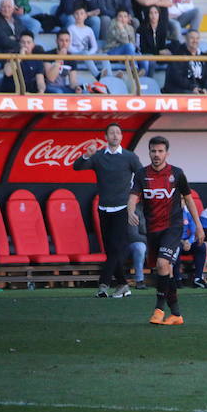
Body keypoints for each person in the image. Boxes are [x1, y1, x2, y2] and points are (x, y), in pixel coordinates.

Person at [128, 136, 205, 325]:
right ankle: (176, 314)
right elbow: (132, 197)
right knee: (165, 271)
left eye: (160, 151)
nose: (156, 154)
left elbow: (189, 199)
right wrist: (130, 211)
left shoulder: (177, 174)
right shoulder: (141, 174)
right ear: (149, 152)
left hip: (173, 227)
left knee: (163, 264)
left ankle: (159, 309)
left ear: (167, 153)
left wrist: (199, 226)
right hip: (153, 229)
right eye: (153, 151)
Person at [74, 122, 144, 298]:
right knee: (111, 249)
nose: (115, 135)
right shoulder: (98, 157)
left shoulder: (129, 157)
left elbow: (142, 176)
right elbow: (77, 167)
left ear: (121, 136)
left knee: (114, 248)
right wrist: (85, 155)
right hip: (104, 208)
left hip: (122, 209)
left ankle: (103, 284)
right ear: (106, 137)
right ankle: (123, 285)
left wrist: (133, 201)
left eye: (118, 133)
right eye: (111, 133)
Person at [174, 206, 207, 287]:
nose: (181, 202)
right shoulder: (170, 212)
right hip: (175, 241)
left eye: (183, 199)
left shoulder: (188, 212)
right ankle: (177, 279)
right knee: (176, 247)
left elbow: (194, 231)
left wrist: (189, 242)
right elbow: (171, 232)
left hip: (187, 242)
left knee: (201, 246)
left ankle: (198, 278)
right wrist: (182, 242)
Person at [126, 206, 147, 290]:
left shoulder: (157, 212)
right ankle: (139, 280)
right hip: (128, 244)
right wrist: (151, 239)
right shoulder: (133, 210)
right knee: (140, 247)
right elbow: (133, 235)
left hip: (148, 243)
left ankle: (167, 280)